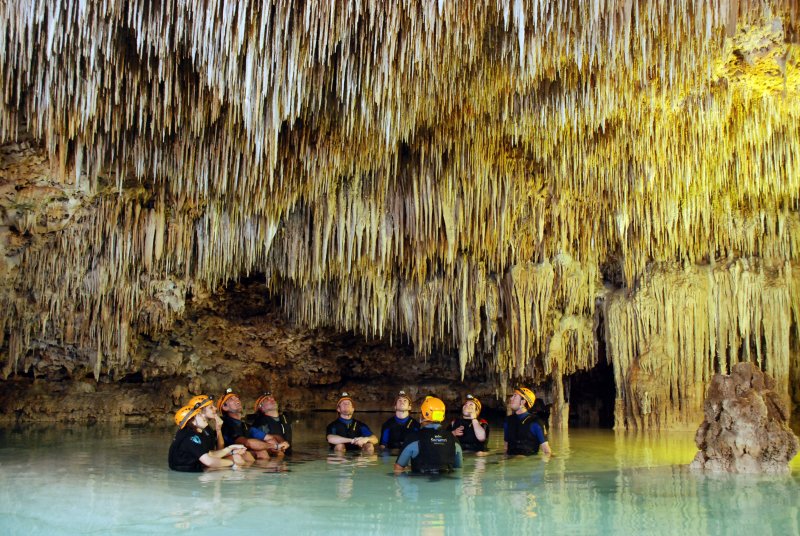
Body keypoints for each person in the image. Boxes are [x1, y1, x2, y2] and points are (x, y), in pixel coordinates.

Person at [168, 396, 248, 471]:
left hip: (193, 468)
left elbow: (209, 453)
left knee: (238, 459)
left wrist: (230, 449)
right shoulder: (191, 436)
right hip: (187, 474)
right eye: (199, 415)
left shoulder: (198, 431)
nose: (202, 416)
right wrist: (233, 463)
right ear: (192, 421)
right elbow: (208, 461)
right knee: (237, 460)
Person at [394, 396, 463, 474]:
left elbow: (398, 468)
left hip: (420, 483)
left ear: (422, 416)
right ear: (442, 416)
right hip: (447, 482)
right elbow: (458, 469)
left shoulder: (413, 438)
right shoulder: (454, 439)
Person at [217, 389, 270, 459]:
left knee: (262, 452)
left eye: (237, 398)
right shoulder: (226, 425)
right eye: (231, 399)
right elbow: (247, 443)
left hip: (242, 452)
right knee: (249, 455)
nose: (237, 400)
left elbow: (265, 437)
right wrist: (274, 446)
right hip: (231, 455)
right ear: (225, 407)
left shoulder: (244, 425)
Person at [504, 387, 552, 456]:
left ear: (523, 402)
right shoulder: (508, 421)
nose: (511, 398)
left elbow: (546, 451)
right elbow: (505, 448)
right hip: (510, 461)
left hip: (527, 463)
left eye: (515, 396)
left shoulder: (536, 423)